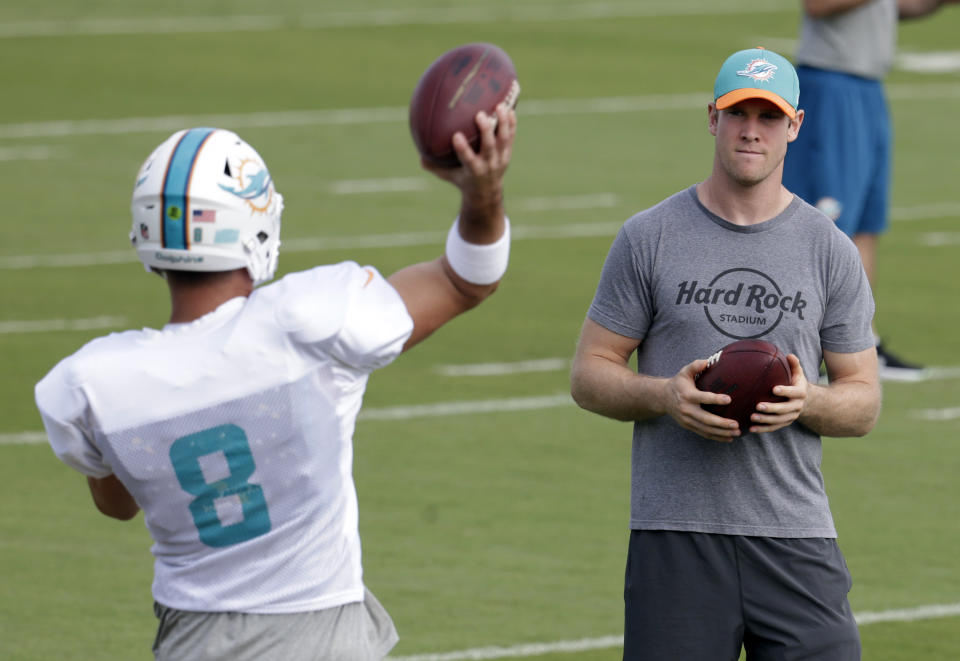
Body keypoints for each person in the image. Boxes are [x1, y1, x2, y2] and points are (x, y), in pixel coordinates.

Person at [34, 105, 516, 661]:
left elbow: (117, 505)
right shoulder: (309, 325)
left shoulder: (96, 382)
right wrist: (484, 195)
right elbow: (467, 278)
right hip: (319, 638)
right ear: (255, 226)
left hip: (193, 641)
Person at [570, 47, 881, 660]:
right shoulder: (649, 237)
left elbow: (863, 401)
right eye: (739, 113)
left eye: (769, 117)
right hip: (676, 539)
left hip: (795, 537)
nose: (751, 131)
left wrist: (806, 401)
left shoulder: (830, 250)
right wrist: (665, 395)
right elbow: (589, 373)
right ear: (712, 117)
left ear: (795, 125)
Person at [783, 0, 958, 380]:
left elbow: (896, 6)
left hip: (867, 88)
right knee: (829, 223)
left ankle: (862, 342)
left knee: (865, 221)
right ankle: (811, 345)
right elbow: (818, 5)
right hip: (832, 84)